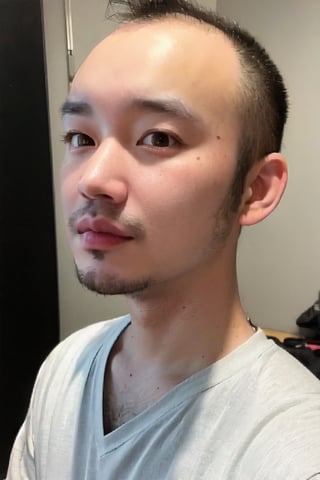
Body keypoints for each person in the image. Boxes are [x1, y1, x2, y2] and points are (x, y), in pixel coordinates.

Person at [6, 0, 320, 478]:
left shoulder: (292, 450)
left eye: (157, 138)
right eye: (80, 138)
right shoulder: (64, 368)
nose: (94, 178)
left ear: (254, 190)